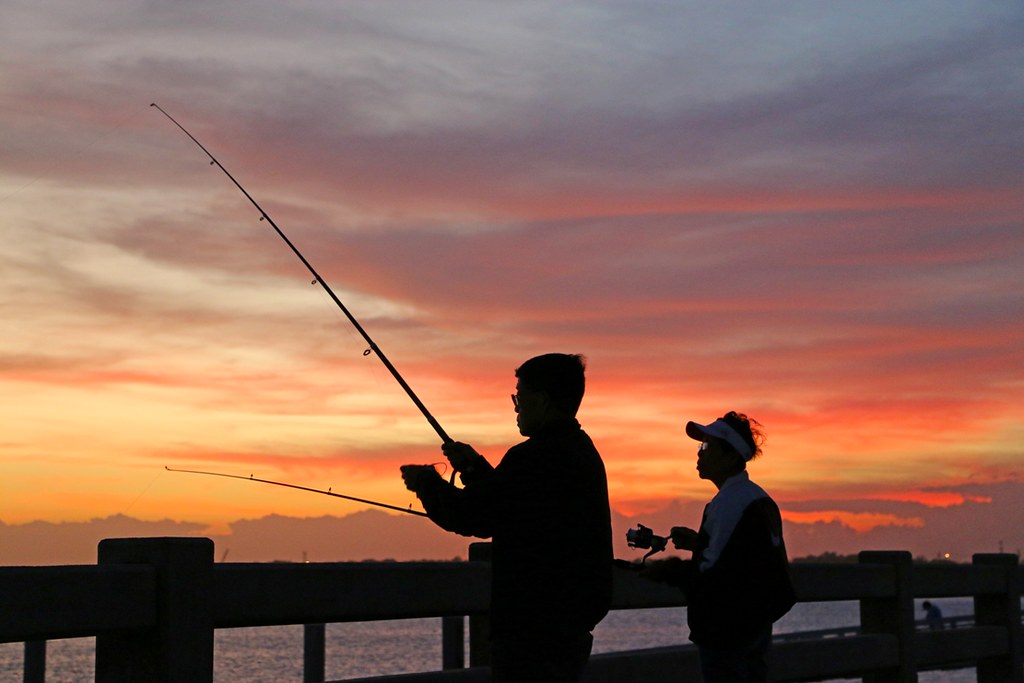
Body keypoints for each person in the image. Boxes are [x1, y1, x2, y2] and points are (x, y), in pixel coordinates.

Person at [401, 353, 613, 682]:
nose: (516, 406)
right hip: (567, 627)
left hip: (532, 632)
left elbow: (475, 516)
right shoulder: (580, 451)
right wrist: (473, 469)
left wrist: (426, 484)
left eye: (520, 396)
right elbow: (514, 504)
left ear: (541, 401)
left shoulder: (533, 457)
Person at [641, 411, 795, 683]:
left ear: (731, 455)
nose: (699, 453)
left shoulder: (729, 503)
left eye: (706, 446)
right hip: (755, 626)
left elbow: (714, 572)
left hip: (727, 631)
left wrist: (665, 570)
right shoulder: (756, 498)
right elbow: (745, 558)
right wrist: (698, 543)